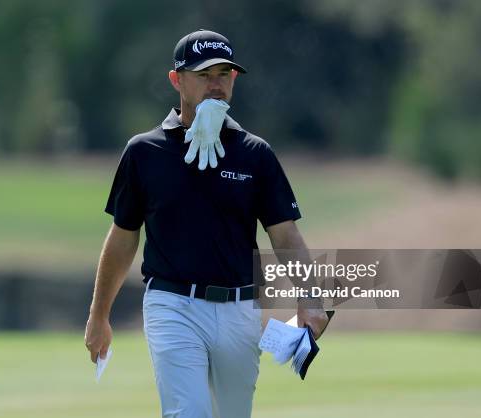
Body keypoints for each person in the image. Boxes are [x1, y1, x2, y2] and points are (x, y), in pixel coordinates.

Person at [85, 29, 329, 418]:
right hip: (172, 303)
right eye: (203, 75)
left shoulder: (255, 154)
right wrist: (99, 316)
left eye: (224, 75)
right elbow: (123, 238)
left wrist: (311, 299)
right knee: (189, 413)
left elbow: (285, 235)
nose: (216, 86)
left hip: (239, 309)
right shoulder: (144, 152)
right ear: (176, 80)